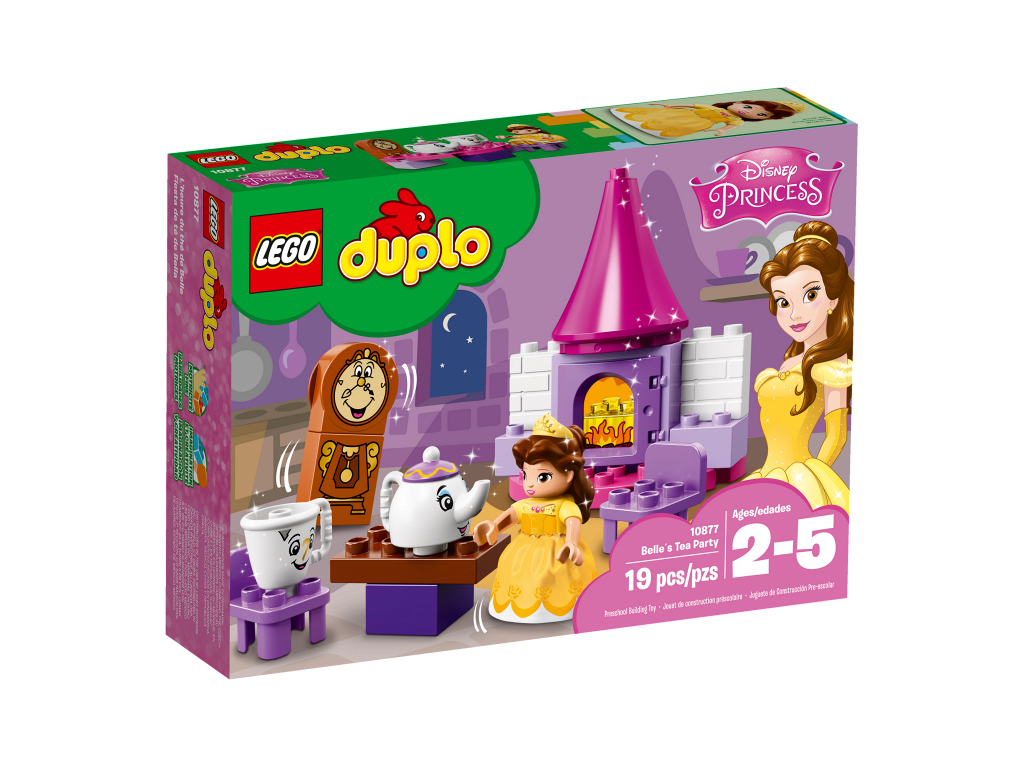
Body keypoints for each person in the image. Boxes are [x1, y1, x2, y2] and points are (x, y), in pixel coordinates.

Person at [744, 221, 853, 512]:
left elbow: (836, 436)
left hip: (802, 476)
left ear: (832, 299)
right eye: (783, 302)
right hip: (767, 471)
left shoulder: (833, 364)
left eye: (810, 296)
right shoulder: (790, 361)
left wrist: (815, 477)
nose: (794, 314)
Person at [474, 414, 598, 622]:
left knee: (550, 578)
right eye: (525, 475)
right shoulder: (526, 503)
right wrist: (494, 526)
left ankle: (556, 608)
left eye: (542, 476)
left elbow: (572, 522)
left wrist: (571, 543)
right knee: (513, 570)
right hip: (524, 549)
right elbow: (512, 516)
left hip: (557, 551)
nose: (530, 484)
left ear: (569, 475)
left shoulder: (565, 505)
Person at [613, 99, 804, 138]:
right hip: (685, 114)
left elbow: (730, 127)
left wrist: (721, 130)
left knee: (671, 127)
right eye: (748, 107)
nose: (749, 112)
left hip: (698, 123)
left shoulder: (737, 121)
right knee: (659, 118)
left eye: (761, 115)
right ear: (739, 102)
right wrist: (671, 106)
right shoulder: (713, 107)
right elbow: (692, 105)